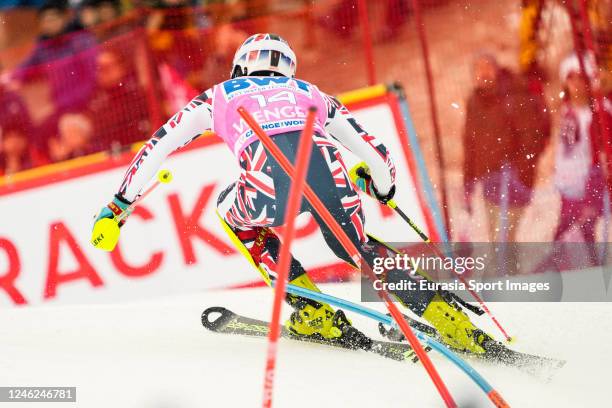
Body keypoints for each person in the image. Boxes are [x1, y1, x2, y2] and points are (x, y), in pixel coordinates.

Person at [92, 33, 494, 354]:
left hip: (266, 188)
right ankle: (446, 316)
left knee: (229, 212)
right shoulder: (309, 91)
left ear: (240, 66)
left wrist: (119, 205)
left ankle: (313, 311)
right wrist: (380, 188)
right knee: (355, 249)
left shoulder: (219, 94)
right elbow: (375, 153)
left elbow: (157, 146)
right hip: (329, 177)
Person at [463, 53, 551, 244]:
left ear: (497, 70)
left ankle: (508, 273)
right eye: (478, 69)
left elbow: (532, 139)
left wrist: (520, 174)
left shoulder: (514, 97)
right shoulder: (474, 102)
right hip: (490, 183)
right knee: (499, 242)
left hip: (513, 182)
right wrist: (468, 182)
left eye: (487, 67)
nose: (483, 73)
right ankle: (509, 273)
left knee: (503, 240)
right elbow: (470, 145)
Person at [552, 53, 611, 248]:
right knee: (564, 236)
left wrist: (592, 191)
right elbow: (566, 151)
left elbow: (602, 155)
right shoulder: (567, 112)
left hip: (592, 185)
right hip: (569, 187)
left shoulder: (600, 112)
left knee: (584, 234)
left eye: (580, 78)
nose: (576, 84)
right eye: (571, 79)